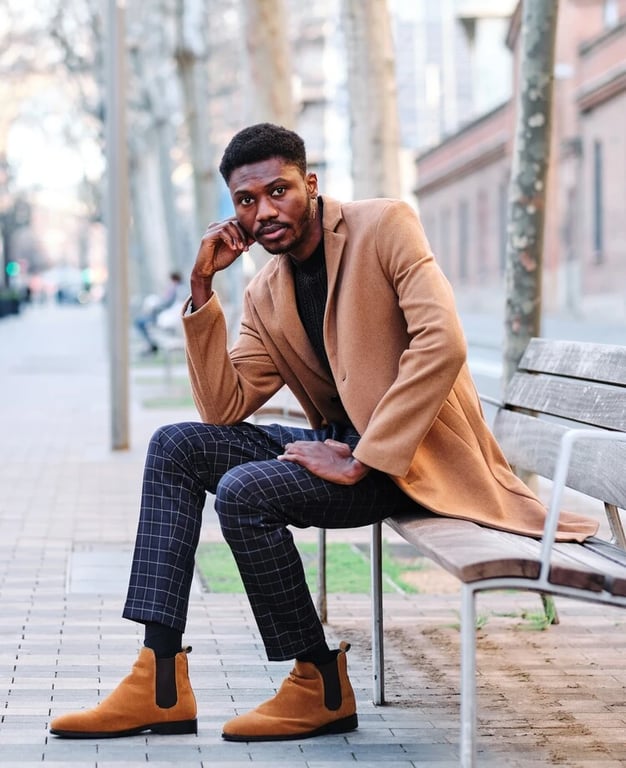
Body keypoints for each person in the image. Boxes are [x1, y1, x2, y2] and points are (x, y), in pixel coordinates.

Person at [50, 123, 598, 742]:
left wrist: (365, 456)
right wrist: (203, 291)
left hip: (407, 462)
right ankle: (160, 679)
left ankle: (319, 683)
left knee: (245, 492)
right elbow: (223, 407)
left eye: (277, 191)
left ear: (310, 184)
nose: (264, 212)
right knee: (176, 446)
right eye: (245, 201)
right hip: (336, 450)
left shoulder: (385, 225)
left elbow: (441, 342)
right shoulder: (264, 292)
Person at [134, 270, 186, 355]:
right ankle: (150, 344)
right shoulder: (182, 289)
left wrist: (156, 306)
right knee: (141, 322)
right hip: (167, 317)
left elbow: (167, 304)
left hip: (165, 318)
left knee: (139, 322)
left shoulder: (175, 289)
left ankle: (150, 345)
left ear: (173, 280)